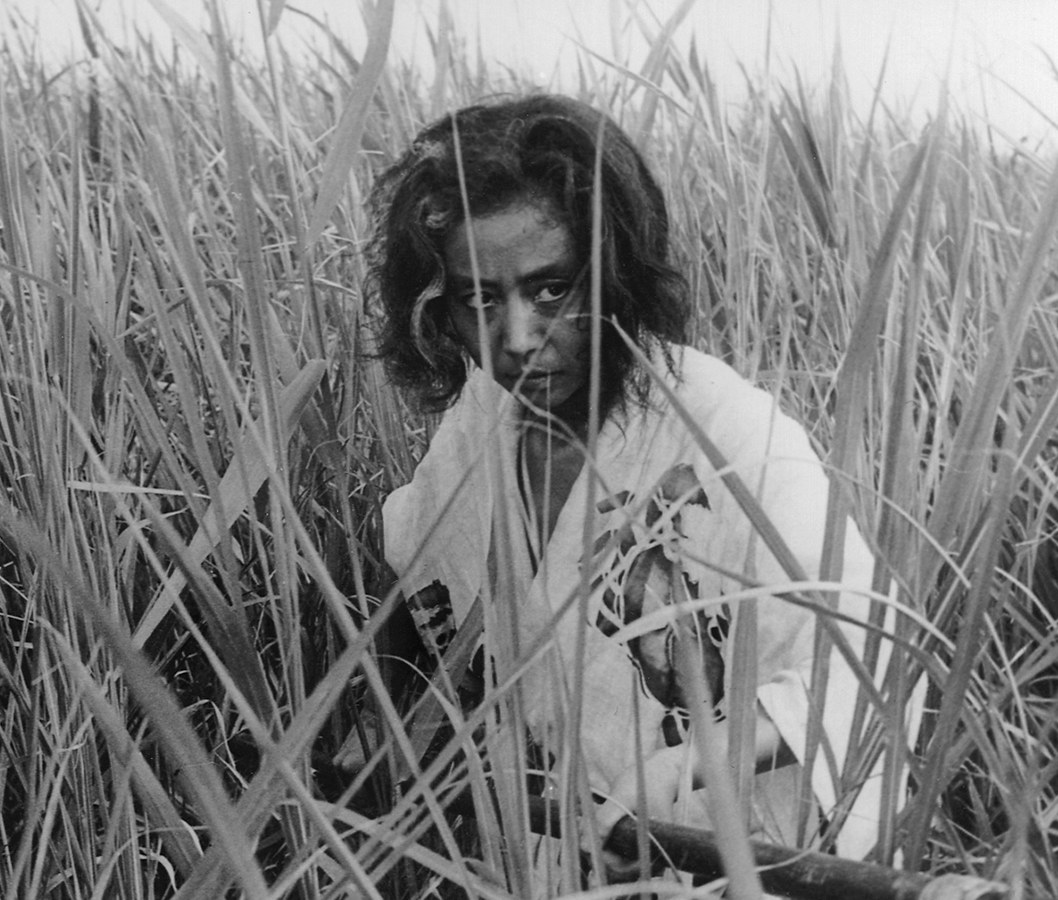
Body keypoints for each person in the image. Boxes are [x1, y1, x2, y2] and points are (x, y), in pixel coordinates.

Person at [363, 94, 908, 891]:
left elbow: (868, 662)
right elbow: (416, 552)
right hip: (563, 853)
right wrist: (389, 719)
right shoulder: (488, 412)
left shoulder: (730, 436)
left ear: (613, 276)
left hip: (733, 860)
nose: (516, 339)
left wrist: (684, 771)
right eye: (480, 297)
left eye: (552, 291)